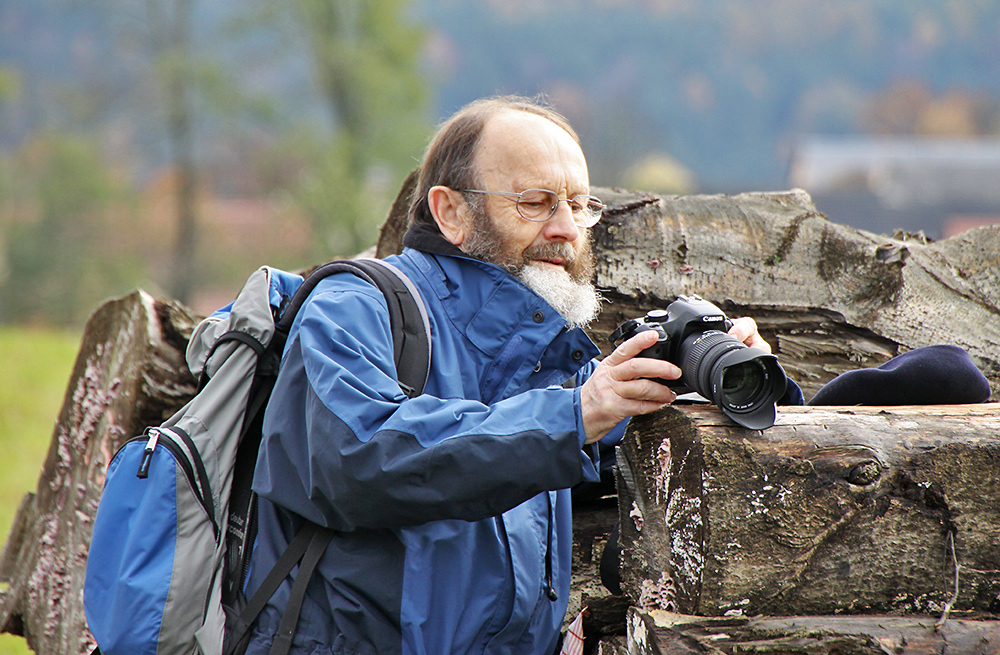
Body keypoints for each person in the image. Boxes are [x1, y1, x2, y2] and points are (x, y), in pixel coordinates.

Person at [243, 95, 773, 655]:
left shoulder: (548, 359)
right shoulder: (355, 303)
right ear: (450, 212)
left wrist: (731, 374)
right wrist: (578, 414)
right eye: (536, 203)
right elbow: (355, 455)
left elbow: (635, 445)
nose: (567, 229)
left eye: (579, 205)